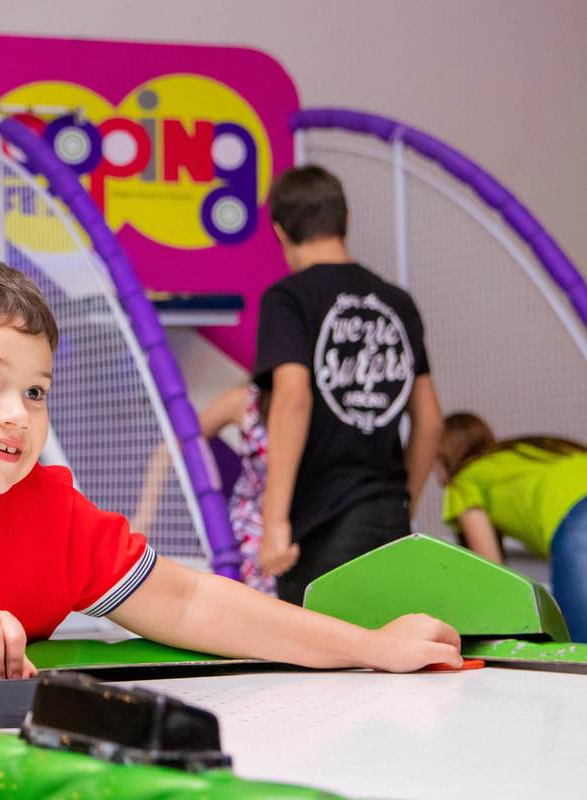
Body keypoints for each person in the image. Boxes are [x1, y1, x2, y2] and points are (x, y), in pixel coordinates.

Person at [0, 250, 461, 680]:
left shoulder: (46, 509)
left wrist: (369, 646)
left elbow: (190, 601)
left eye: (35, 391)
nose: (18, 414)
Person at [252, 165, 444, 605]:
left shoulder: (289, 298)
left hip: (321, 525)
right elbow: (430, 421)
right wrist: (401, 504)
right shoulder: (398, 301)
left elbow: (293, 394)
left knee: (320, 664)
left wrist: (275, 522)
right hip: (388, 513)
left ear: (280, 232)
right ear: (347, 220)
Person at [435, 411, 587, 642]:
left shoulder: (463, 480)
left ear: (440, 452)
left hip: (579, 522)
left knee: (580, 653)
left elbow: (496, 574)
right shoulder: (524, 452)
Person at [197, 383, 276, 596]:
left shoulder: (322, 404)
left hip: (303, 526)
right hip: (250, 534)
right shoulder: (245, 401)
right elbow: (179, 442)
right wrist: (146, 511)